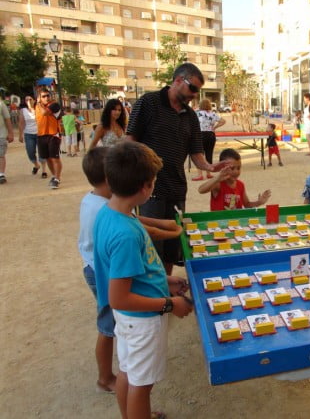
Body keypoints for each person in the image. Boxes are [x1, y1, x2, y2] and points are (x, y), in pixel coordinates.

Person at [93, 141, 192, 419]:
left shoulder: (112, 212)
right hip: (142, 321)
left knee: (128, 371)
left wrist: (165, 283)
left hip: (130, 320)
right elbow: (120, 297)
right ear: (146, 187)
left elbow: (134, 275)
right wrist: (169, 304)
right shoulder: (125, 233)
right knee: (141, 384)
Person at [126, 62, 228, 274]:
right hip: (148, 191)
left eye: (198, 91)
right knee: (151, 247)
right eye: (193, 88)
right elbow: (129, 143)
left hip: (177, 189)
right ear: (178, 80)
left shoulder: (191, 116)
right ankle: (156, 297)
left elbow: (196, 153)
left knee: (173, 246)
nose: (194, 94)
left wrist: (211, 166)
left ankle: (166, 289)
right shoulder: (148, 102)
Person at [198, 148, 271, 211]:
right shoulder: (219, 184)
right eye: (232, 168)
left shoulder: (240, 185)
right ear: (222, 167)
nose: (236, 171)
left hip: (236, 223)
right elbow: (201, 190)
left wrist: (259, 202)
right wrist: (217, 178)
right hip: (219, 224)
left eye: (238, 168)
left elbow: (247, 204)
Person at [192, 98, 226, 181]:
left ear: (201, 105)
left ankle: (200, 174)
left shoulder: (197, 113)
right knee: (209, 154)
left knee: (199, 154)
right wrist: (215, 127)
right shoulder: (213, 114)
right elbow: (223, 121)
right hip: (211, 135)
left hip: (200, 135)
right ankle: (208, 173)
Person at [35, 89, 63, 189]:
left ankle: (57, 178)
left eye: (47, 95)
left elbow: (44, 113)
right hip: (41, 135)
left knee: (54, 158)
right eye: (43, 96)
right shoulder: (37, 106)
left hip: (53, 134)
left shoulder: (54, 105)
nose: (46, 98)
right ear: (39, 97)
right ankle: (54, 175)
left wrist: (38, 103)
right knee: (47, 158)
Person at [18, 96, 47, 178]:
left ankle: (44, 170)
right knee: (30, 151)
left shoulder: (38, 109)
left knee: (42, 151)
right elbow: (21, 123)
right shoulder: (23, 111)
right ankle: (36, 165)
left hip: (39, 133)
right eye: (26, 99)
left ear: (34, 100)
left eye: (30, 99)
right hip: (28, 134)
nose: (28, 101)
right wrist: (20, 135)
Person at [0, 99, 14, 184]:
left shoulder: (1, 104)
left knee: (0, 154)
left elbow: (7, 119)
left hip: (1, 134)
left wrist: (10, 133)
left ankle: (1, 174)